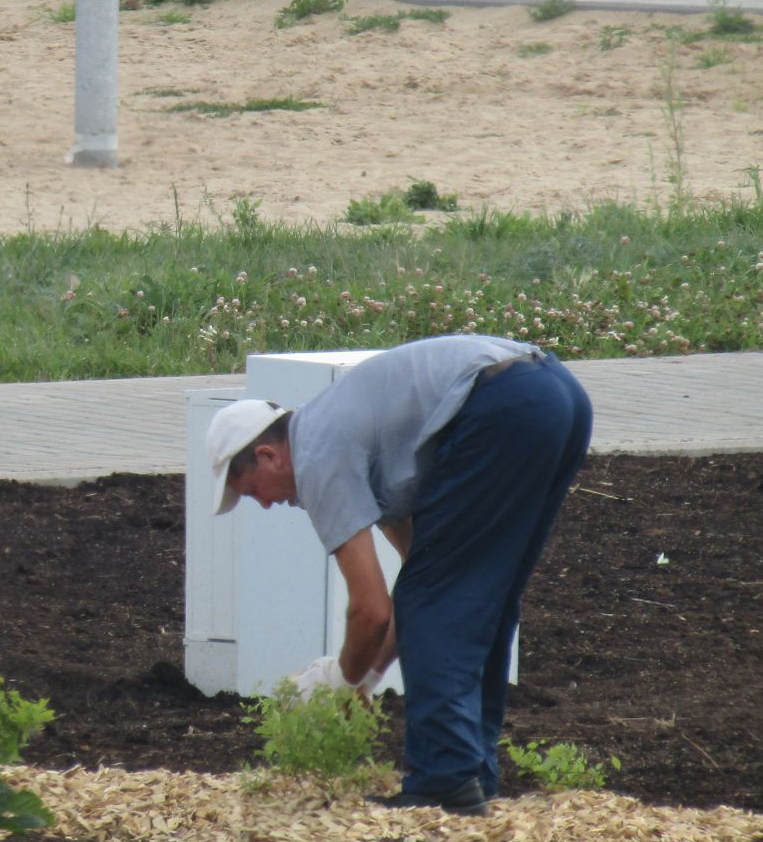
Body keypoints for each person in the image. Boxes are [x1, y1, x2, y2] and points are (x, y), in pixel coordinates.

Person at [207, 333, 592, 817]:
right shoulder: (345, 432)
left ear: (267, 455)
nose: (264, 503)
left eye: (250, 490)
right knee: (477, 593)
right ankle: (472, 774)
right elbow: (422, 574)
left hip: (503, 406)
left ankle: (443, 778)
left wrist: (341, 686)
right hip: (556, 395)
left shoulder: (317, 455)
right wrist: (367, 676)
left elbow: (371, 609)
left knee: (439, 596)